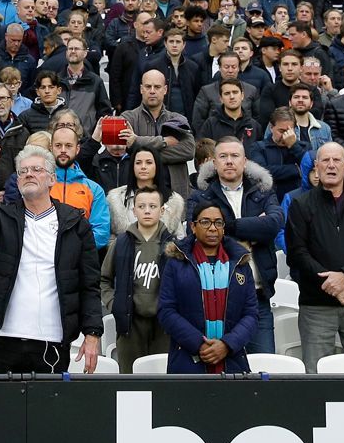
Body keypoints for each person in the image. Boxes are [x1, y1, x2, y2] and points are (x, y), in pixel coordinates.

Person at [0, 143, 104, 373]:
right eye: (22, 171)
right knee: (4, 407)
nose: (28, 174)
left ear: (52, 179)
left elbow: (89, 283)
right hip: (7, 334)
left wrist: (92, 333)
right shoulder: (5, 216)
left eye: (37, 169)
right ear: (17, 181)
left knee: (50, 409)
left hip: (53, 337)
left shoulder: (75, 222)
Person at [285, 141, 344, 372]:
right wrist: (334, 285)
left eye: (336, 160)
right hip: (316, 306)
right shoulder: (300, 205)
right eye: (325, 161)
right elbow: (297, 254)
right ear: (316, 167)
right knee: (316, 377)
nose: (331, 165)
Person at [187, 137, 283, 353]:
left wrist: (224, 227)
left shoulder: (263, 191)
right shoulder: (200, 197)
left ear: (245, 161)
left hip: (258, 299)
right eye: (223, 156)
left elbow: (273, 224)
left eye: (234, 156)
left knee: (263, 372)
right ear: (214, 163)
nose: (229, 161)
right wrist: (252, 229)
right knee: (222, 374)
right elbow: (196, 236)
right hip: (216, 299)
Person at [157, 200, 260, 374]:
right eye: (205, 222)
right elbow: (166, 311)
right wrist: (199, 344)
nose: (213, 228)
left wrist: (227, 345)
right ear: (193, 227)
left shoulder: (240, 263)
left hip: (232, 361)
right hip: (187, 360)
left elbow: (251, 313)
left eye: (218, 223)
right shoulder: (176, 262)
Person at [101, 185, 171, 372]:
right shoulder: (121, 243)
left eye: (152, 206)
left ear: (162, 210)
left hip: (163, 325)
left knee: (162, 380)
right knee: (130, 382)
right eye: (141, 206)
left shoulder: (173, 246)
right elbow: (103, 279)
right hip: (130, 325)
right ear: (133, 210)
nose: (147, 210)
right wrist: (114, 304)